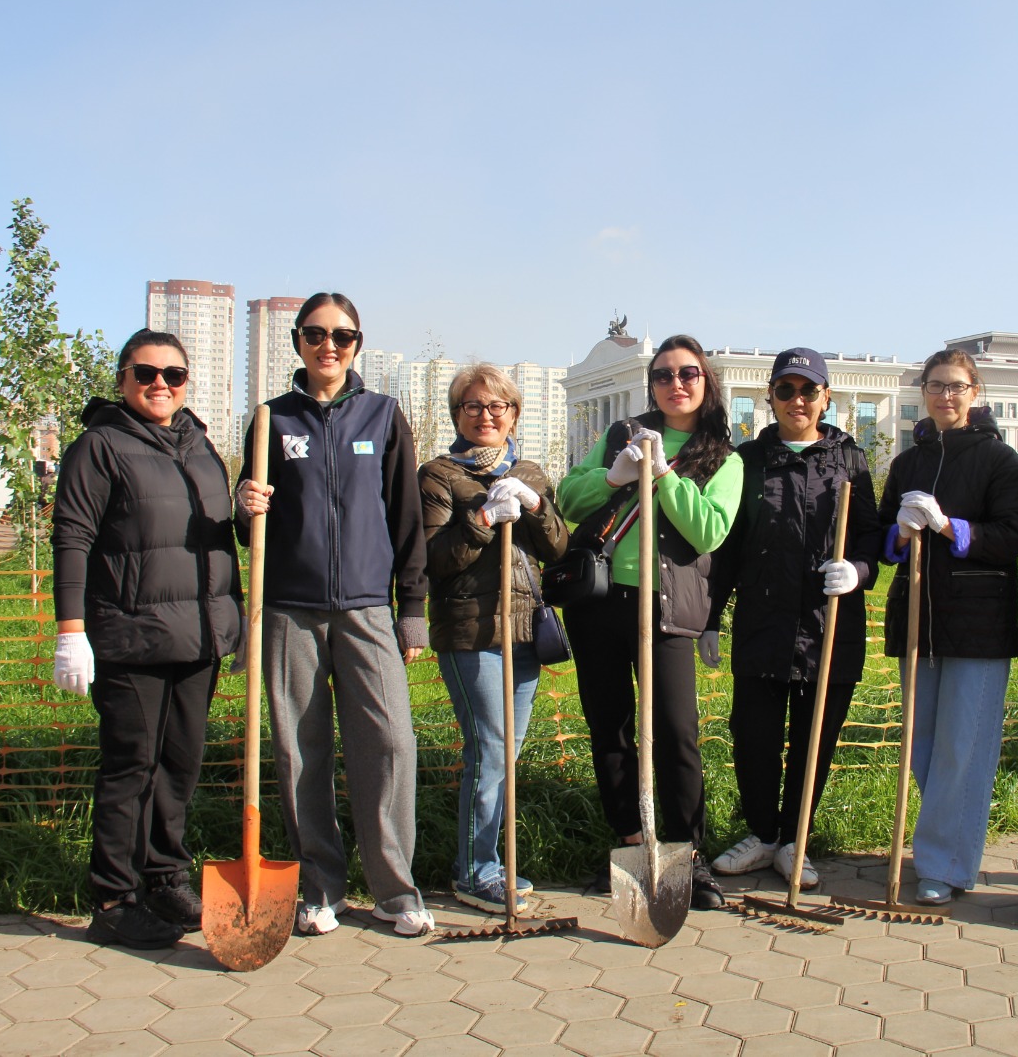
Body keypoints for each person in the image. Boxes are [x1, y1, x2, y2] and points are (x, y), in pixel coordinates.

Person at [233, 292, 433, 938]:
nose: (329, 346)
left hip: (368, 609)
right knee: (299, 750)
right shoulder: (271, 419)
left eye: (342, 336)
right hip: (289, 609)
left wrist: (412, 609)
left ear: (356, 345)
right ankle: (320, 887)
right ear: (297, 340)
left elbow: (406, 518)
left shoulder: (383, 414)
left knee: (391, 743)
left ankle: (395, 891)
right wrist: (243, 502)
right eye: (316, 334)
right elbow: (250, 520)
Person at [51, 328, 244, 949]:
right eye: (146, 373)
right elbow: (72, 537)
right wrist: (70, 630)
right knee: (131, 766)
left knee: (180, 764)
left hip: (198, 636)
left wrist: (235, 612)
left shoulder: (200, 445)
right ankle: (113, 899)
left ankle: (164, 878)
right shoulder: (99, 447)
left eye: (174, 374)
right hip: (131, 636)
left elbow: (216, 536)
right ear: (122, 380)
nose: (161, 384)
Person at [557, 333, 744, 910]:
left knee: (676, 731)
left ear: (706, 381)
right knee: (609, 725)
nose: (675, 384)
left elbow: (707, 531)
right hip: (599, 602)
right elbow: (569, 498)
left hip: (664, 608)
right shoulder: (622, 434)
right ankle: (632, 844)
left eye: (688, 373)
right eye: (663, 375)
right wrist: (613, 476)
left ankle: (687, 853)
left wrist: (664, 476)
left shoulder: (724, 457)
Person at [709, 348, 881, 890]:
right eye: (785, 390)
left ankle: (794, 840)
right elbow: (727, 547)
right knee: (753, 737)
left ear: (826, 397)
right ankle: (762, 834)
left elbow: (872, 539)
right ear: (770, 397)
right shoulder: (747, 461)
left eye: (809, 390)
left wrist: (858, 571)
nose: (797, 400)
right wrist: (711, 619)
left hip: (828, 628)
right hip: (763, 625)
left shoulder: (850, 460)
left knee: (814, 741)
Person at [878, 349, 1018, 906]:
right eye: (936, 386)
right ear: (923, 391)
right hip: (917, 620)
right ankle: (944, 844)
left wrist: (948, 526)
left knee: (961, 748)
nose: (946, 396)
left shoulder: (998, 460)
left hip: (977, 624)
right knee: (922, 745)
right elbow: (883, 540)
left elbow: (1012, 536)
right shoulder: (908, 463)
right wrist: (899, 532)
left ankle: (943, 863)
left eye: (957, 386)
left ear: (975, 392)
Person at [418, 364, 570, 914]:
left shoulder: (530, 472)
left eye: (497, 406)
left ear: (513, 414)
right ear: (457, 414)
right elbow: (432, 560)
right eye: (473, 406)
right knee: (489, 750)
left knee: (507, 755)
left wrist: (534, 505)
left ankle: (491, 863)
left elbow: (558, 547)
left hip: (524, 631)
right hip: (471, 632)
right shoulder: (437, 476)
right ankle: (475, 871)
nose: (486, 415)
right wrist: (482, 518)